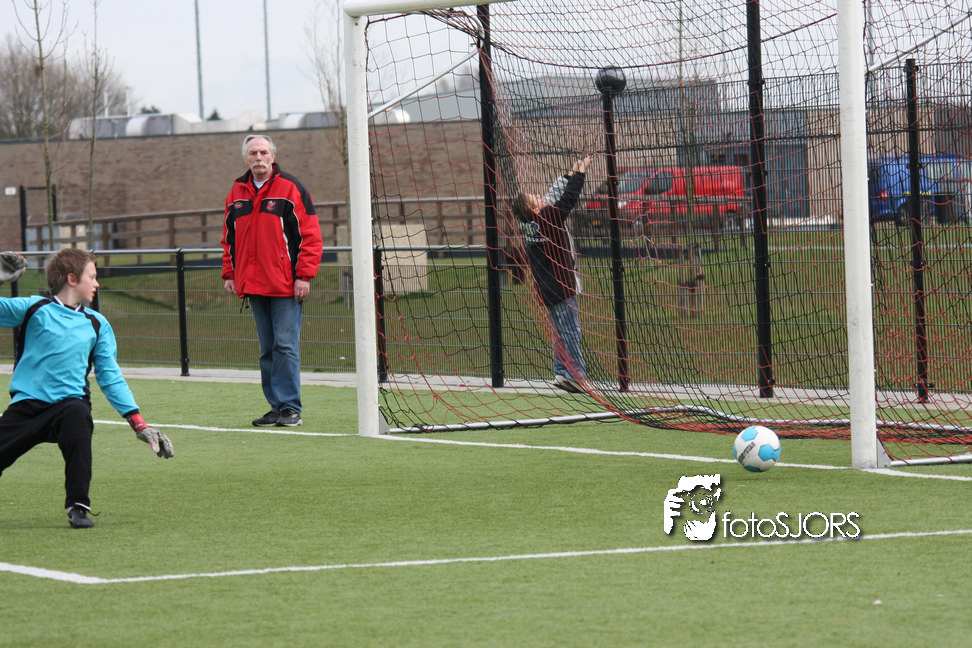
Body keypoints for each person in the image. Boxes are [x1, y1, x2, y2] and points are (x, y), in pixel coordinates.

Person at [0, 249, 173, 530]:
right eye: (91, 277)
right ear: (71, 279)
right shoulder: (33, 308)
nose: (97, 283)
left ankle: (78, 506)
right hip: (27, 407)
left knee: (78, 414)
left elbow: (110, 376)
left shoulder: (97, 323)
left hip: (69, 405)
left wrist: (138, 423)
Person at [222, 134, 323, 427]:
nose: (258, 158)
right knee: (267, 350)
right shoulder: (236, 194)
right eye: (253, 153)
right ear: (245, 158)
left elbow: (310, 236)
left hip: (285, 285)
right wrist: (230, 273)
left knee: (285, 347)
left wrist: (304, 276)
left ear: (273, 156)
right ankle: (276, 407)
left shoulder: (291, 188)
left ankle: (290, 408)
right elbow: (229, 239)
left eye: (263, 152)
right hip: (253, 285)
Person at [511, 156, 592, 394]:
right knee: (571, 331)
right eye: (535, 198)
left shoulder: (531, 225)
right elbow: (567, 200)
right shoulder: (548, 218)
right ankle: (576, 375)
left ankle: (561, 372)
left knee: (559, 333)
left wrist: (569, 175)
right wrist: (580, 175)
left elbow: (553, 195)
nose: (540, 196)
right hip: (561, 286)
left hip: (546, 290)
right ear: (535, 209)